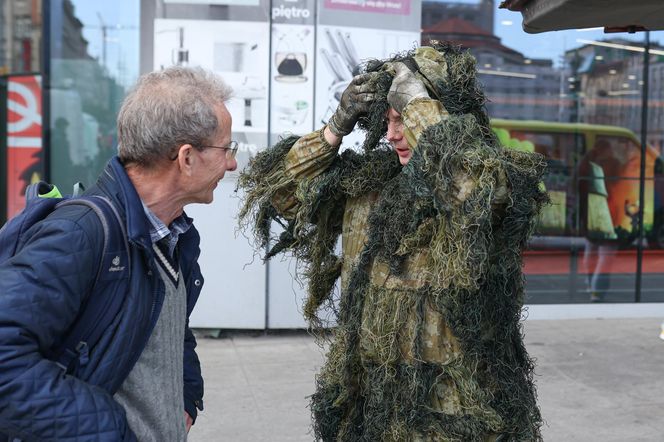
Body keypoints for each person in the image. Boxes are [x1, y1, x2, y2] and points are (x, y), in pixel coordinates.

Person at [239, 43, 546, 440]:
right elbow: (282, 193)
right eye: (387, 120)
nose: (393, 134)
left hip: (451, 416)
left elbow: (471, 191)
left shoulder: (492, 182)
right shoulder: (370, 185)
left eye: (403, 119)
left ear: (440, 116)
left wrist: (419, 104)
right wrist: (336, 127)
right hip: (370, 404)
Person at [0, 66, 237, 441]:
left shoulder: (171, 234)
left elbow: (169, 330)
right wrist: (108, 429)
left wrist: (186, 400)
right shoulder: (80, 234)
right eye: (227, 148)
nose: (232, 163)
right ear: (186, 157)